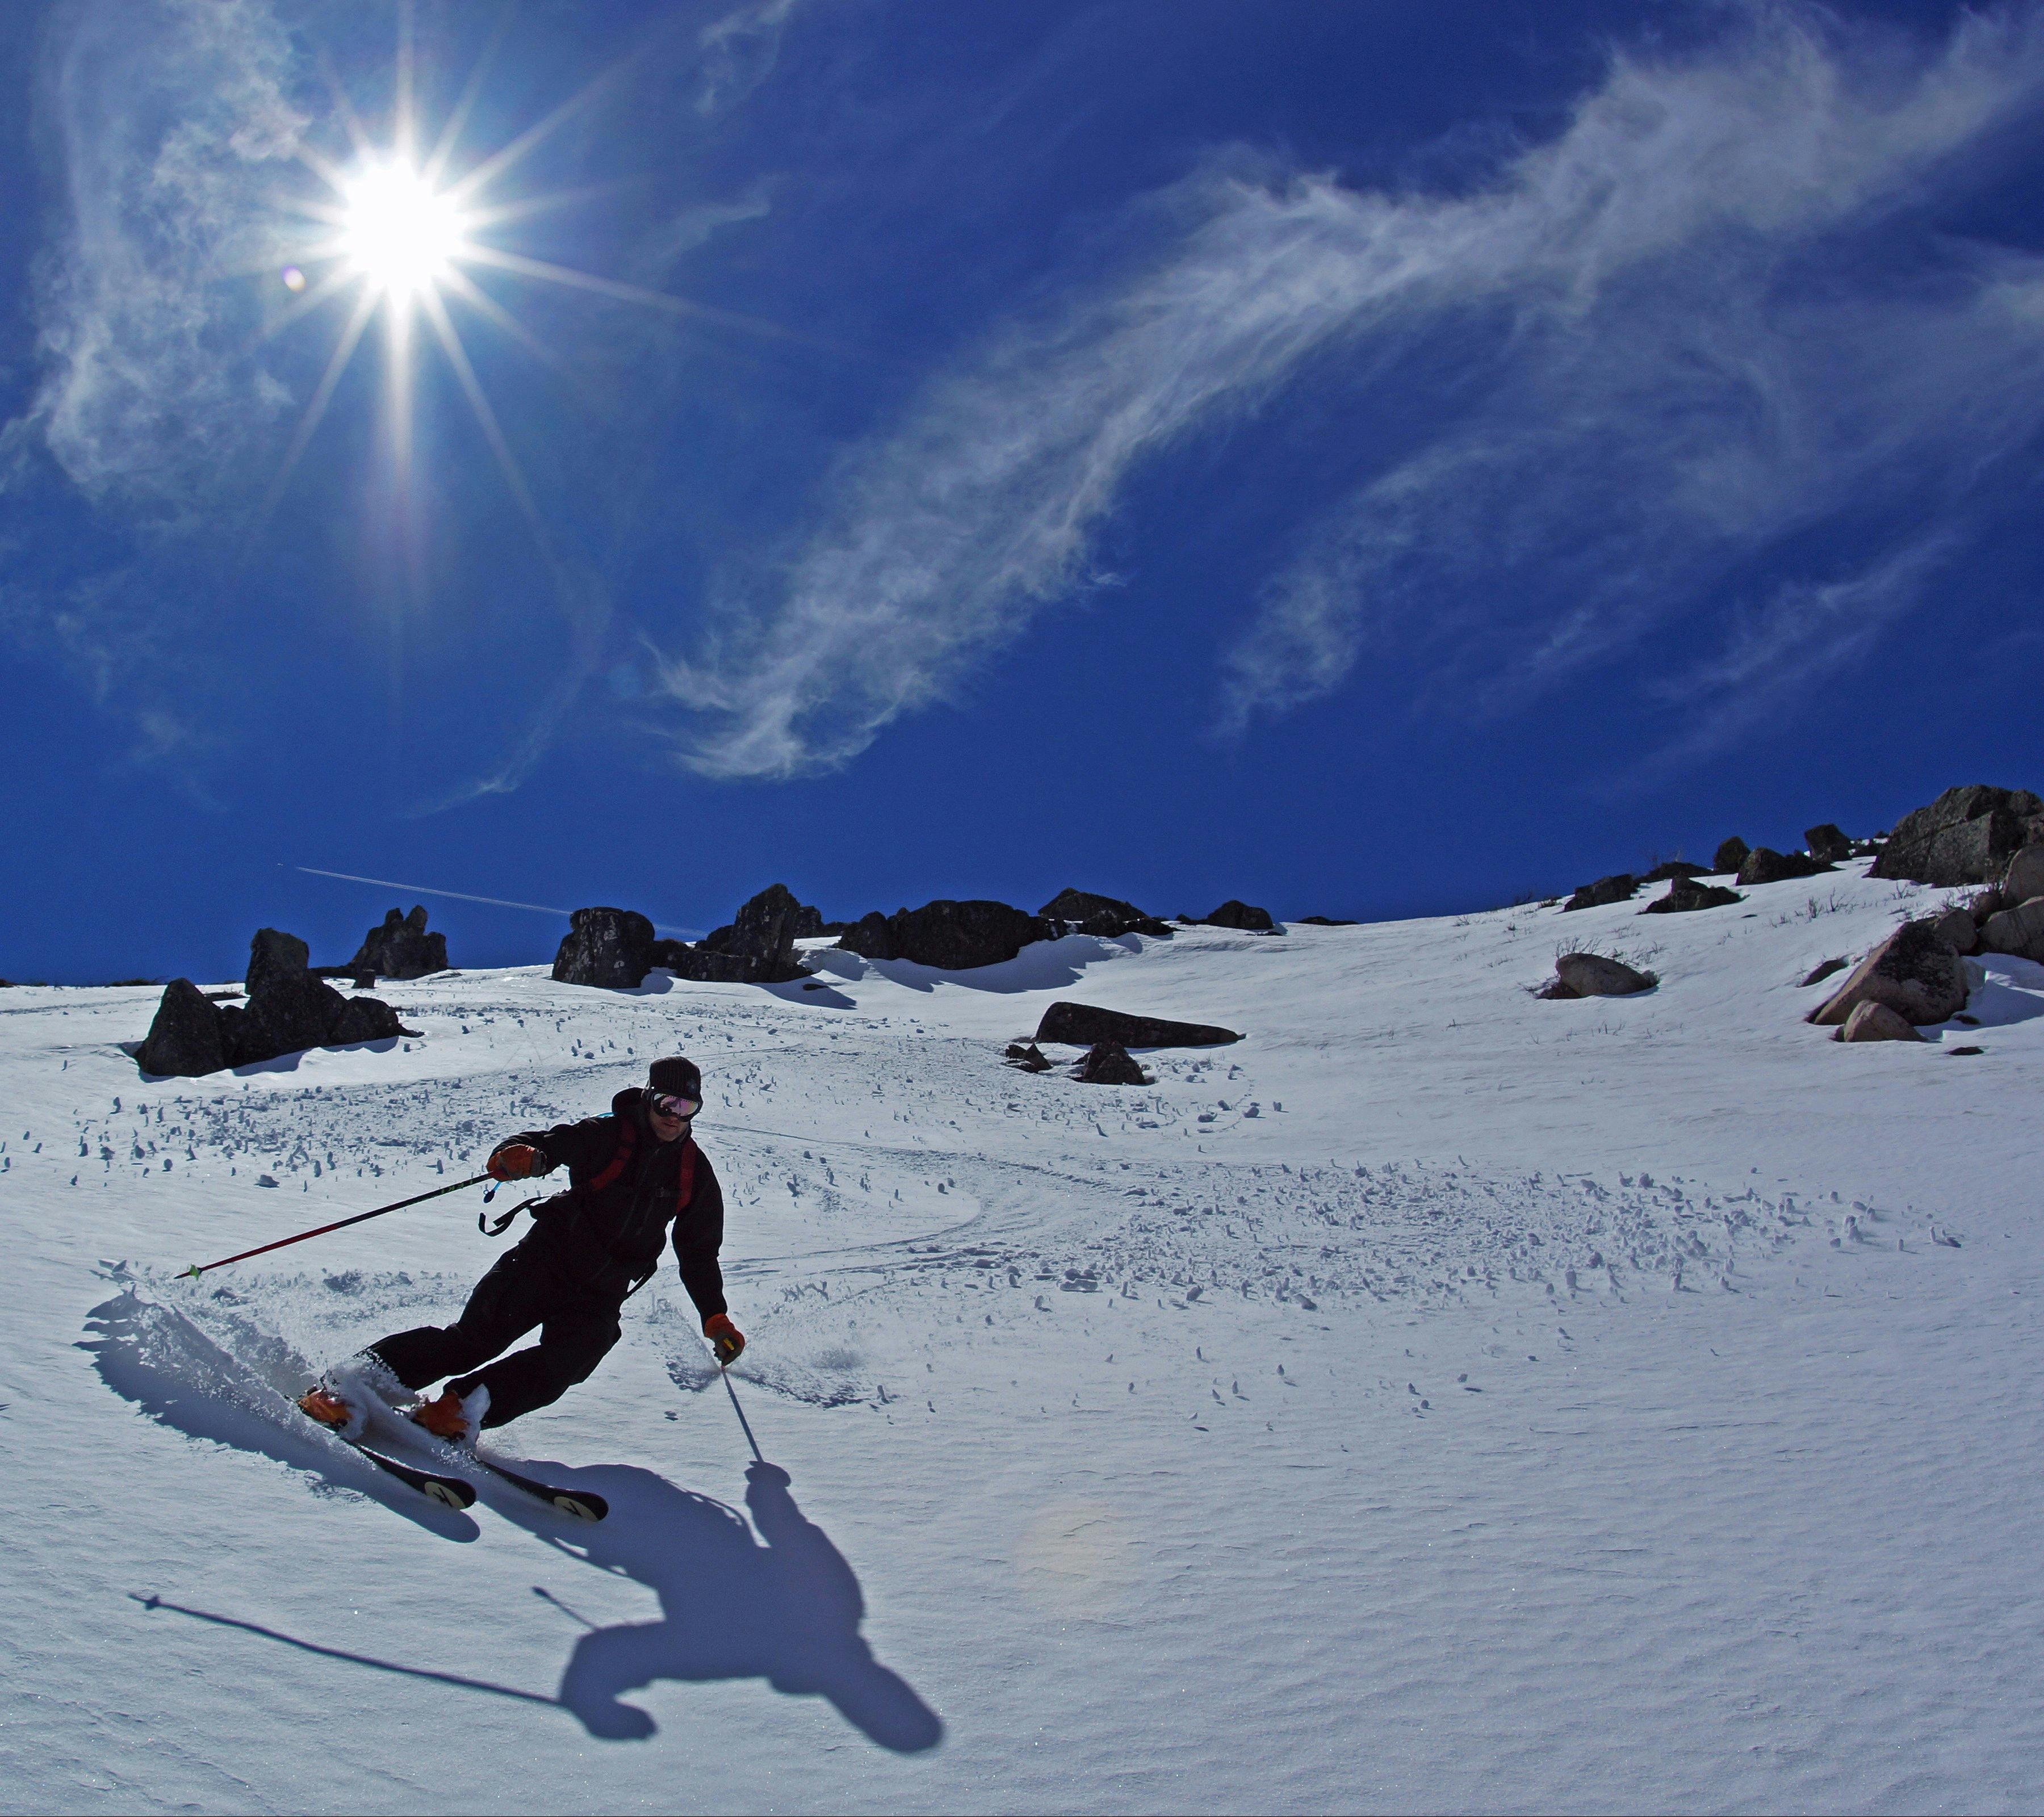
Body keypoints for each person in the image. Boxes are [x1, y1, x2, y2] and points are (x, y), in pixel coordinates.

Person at [299, 1055, 744, 1444]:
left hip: (601, 1291)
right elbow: (548, 1143)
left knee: (570, 1361)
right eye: (668, 1103)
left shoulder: (694, 1173)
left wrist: (715, 1315)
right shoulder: (607, 1135)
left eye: (688, 1107)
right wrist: (523, 1156)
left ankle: (458, 1409)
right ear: (649, 1098)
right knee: (471, 1341)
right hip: (544, 1262)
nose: (675, 1116)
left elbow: (699, 1251)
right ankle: (348, 1384)